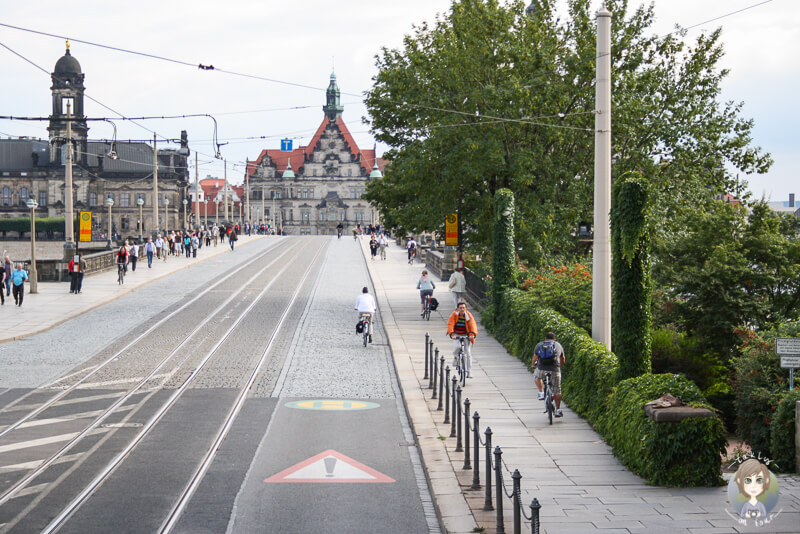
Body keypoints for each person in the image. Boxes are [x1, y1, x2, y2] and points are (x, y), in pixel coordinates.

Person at [532, 332, 566, 417]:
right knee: (557, 390)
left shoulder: (539, 345)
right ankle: (558, 410)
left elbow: (535, 357)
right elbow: (563, 358)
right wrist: (561, 366)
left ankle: (541, 392)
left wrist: (533, 365)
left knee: (537, 377)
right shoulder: (558, 345)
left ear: (545, 338)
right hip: (555, 369)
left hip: (542, 369)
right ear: (554, 339)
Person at [446, 300, 478, 377]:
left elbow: (472, 325)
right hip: (457, 334)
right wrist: (452, 334)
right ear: (457, 309)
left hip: (466, 334)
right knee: (457, 347)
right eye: (460, 308)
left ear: (466, 308)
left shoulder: (468, 315)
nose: (462, 309)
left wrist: (472, 334)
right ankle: (456, 357)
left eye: (463, 308)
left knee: (468, 353)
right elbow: (450, 324)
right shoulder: (454, 315)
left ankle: (468, 372)